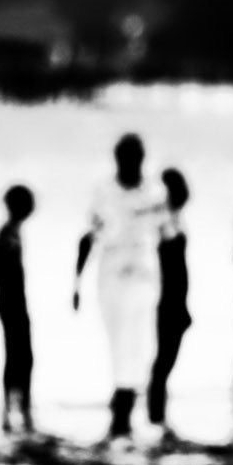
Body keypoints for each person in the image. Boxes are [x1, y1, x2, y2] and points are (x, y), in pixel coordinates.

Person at [73, 133, 167, 440]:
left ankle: (125, 405)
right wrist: (76, 281)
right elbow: (89, 236)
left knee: (137, 342)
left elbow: (169, 239)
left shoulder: (155, 191)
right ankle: (123, 402)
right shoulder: (103, 191)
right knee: (117, 341)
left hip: (143, 274)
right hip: (111, 273)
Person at [0, 184, 35, 435]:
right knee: (20, 356)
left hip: (13, 300)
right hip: (12, 302)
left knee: (21, 356)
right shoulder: (8, 232)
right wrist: (5, 285)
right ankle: (17, 410)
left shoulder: (12, 230)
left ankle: (18, 409)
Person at [146, 168, 192, 438]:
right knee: (164, 360)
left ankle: (157, 413)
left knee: (165, 360)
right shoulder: (164, 223)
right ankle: (156, 414)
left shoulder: (173, 220)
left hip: (175, 299)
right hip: (169, 299)